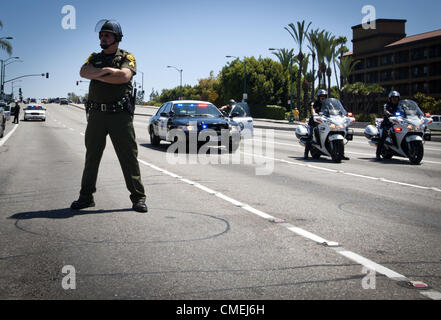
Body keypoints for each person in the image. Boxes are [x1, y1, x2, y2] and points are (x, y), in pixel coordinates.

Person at [71, 19, 147, 213]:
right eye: (101, 35)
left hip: (119, 115)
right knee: (92, 157)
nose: (103, 38)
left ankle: (138, 198)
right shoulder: (94, 57)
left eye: (107, 35)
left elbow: (124, 77)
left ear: (116, 38)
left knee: (128, 157)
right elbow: (83, 71)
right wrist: (107, 72)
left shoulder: (126, 57)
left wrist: (99, 73)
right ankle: (86, 197)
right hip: (96, 114)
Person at [376, 91, 400, 161]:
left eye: (396, 98)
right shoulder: (387, 105)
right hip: (388, 123)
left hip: (398, 123)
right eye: (393, 98)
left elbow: (406, 111)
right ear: (390, 98)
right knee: (383, 136)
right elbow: (385, 110)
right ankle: (378, 154)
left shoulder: (400, 106)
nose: (395, 99)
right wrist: (388, 113)